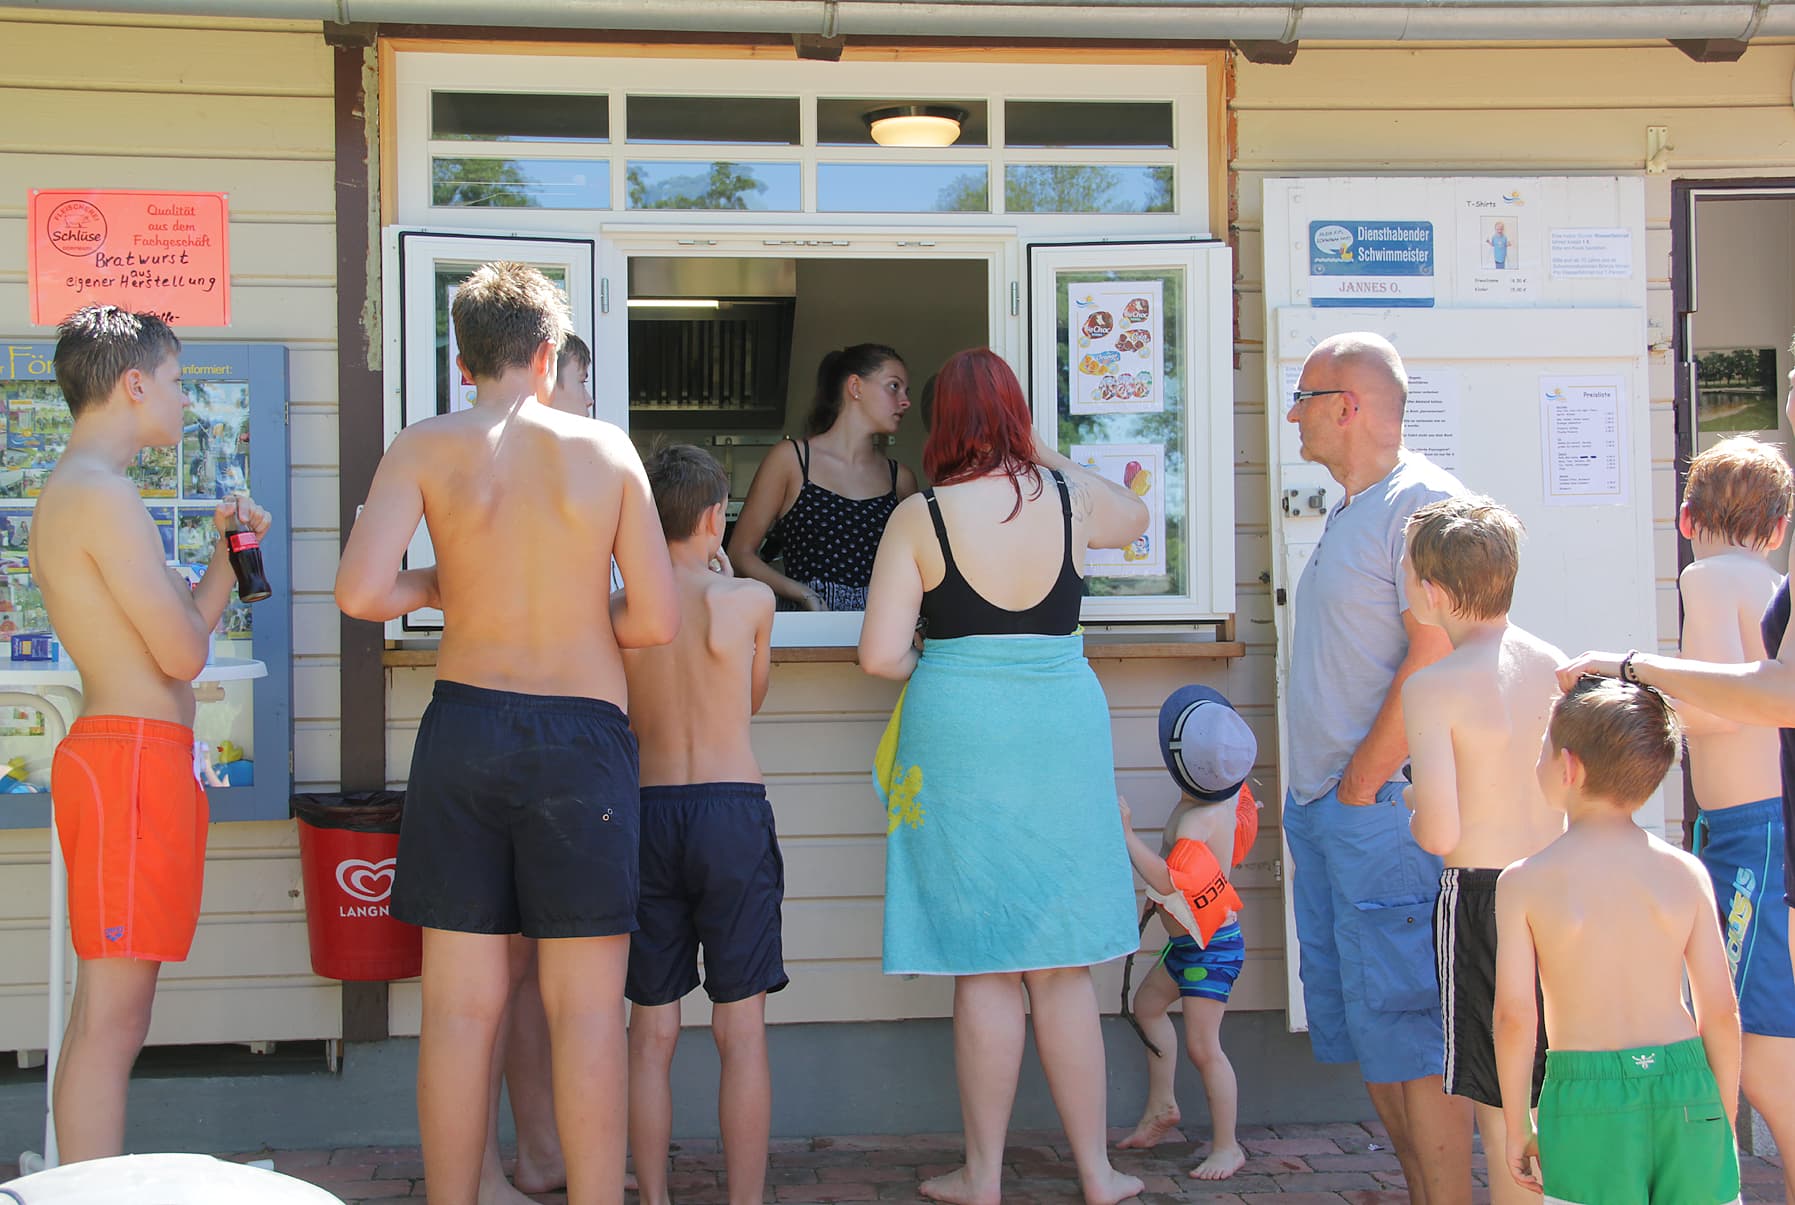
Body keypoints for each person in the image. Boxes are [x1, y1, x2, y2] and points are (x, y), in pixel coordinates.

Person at [335, 261, 679, 1205]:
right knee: (584, 1011)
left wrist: (446, 585)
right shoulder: (606, 451)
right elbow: (653, 618)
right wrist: (572, 601)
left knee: (457, 1010)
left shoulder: (423, 444)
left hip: (467, 725)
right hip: (581, 739)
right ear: (544, 355)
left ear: (460, 359)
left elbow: (363, 592)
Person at [859, 347, 1150, 1205]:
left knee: (984, 963)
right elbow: (1135, 514)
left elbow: (879, 655)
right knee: (1060, 964)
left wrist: (947, 662)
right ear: (1016, 417)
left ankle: (980, 1177)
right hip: (1061, 723)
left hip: (959, 726)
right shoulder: (1068, 498)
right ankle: (1096, 1172)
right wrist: (1047, 455)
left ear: (941, 423)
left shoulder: (920, 514)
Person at [31, 304, 272, 1161]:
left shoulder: (90, 490)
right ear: (133, 383)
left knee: (109, 1010)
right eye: (175, 380)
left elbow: (181, 640)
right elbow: (180, 649)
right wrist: (201, 586)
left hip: (138, 756)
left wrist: (221, 559)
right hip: (129, 761)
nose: (183, 398)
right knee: (113, 1016)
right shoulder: (99, 496)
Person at [1281, 331, 1470, 1204]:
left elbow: (1432, 657)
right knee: (1372, 1027)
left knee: (1412, 1029)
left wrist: (1361, 783)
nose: (1292, 412)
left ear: (1347, 405)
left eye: (1304, 395)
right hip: (1332, 809)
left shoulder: (1421, 503)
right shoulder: (1356, 505)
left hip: (1380, 811)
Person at [1493, 676, 1741, 1203]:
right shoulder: (1686, 871)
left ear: (1568, 767)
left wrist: (1518, 1124)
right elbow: (1719, 1009)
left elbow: (1515, 1017)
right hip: (1687, 1080)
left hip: (1587, 1093)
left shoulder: (1524, 881)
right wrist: (1723, 1106)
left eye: (1544, 750)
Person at [620, 444, 782, 1205]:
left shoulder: (623, 610)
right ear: (716, 517)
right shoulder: (749, 601)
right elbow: (749, 700)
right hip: (730, 812)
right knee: (739, 1030)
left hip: (647, 810)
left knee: (649, 1034)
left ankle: (652, 1197)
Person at [467, 329, 604, 1204]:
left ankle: (540, 1152)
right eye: (583, 387)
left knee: (511, 976)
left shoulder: (570, 468)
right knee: (498, 982)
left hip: (492, 734)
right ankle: (495, 1162)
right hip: (536, 736)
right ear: (551, 376)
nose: (588, 407)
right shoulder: (511, 461)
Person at [1398, 495, 1565, 1205]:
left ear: (1433, 593)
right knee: (1558, 1096)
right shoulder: (1553, 662)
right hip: (1561, 891)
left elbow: (1438, 832)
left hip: (1484, 903)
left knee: (1504, 1111)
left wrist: (1410, 803)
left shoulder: (1432, 686)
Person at [1115, 685, 1260, 1181]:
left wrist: (1128, 835)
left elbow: (1168, 879)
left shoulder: (1197, 821)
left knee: (1204, 1046)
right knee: (1147, 1007)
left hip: (1210, 948)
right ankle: (1163, 1106)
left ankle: (1228, 1146)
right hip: (1185, 945)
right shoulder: (1226, 792)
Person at [728, 343, 917, 611]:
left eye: (906, 391)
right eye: (894, 386)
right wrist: (804, 594)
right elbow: (740, 553)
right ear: (856, 387)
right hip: (807, 632)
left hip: (877, 632)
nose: (905, 401)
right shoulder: (791, 460)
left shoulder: (900, 479)